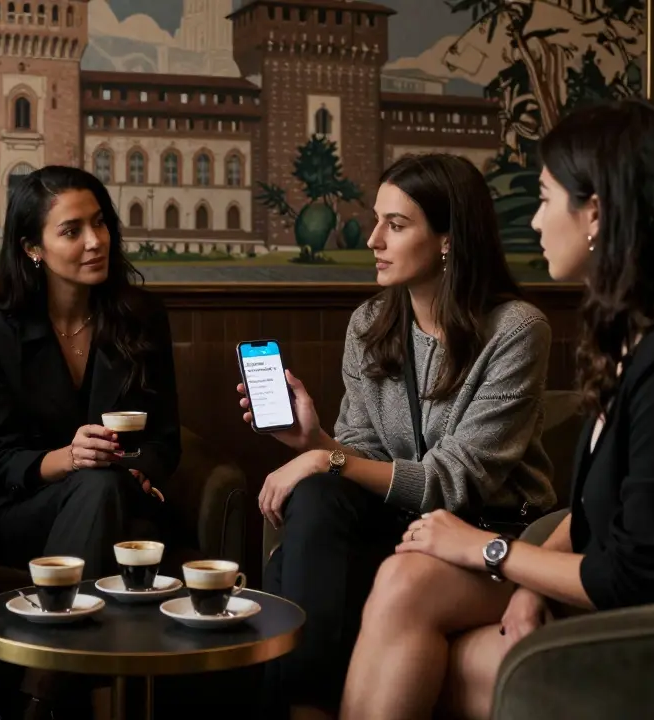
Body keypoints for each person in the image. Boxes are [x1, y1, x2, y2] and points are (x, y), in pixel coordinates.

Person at [342, 99, 654, 720]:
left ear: (596, 211)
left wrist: (492, 553)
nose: (535, 221)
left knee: (436, 653)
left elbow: (638, 575)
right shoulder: (639, 334)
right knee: (407, 583)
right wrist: (526, 580)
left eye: (543, 198)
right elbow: (597, 505)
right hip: (619, 595)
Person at [240, 153, 557, 718]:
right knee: (316, 497)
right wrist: (316, 443)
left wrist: (328, 461)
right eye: (376, 219)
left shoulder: (516, 330)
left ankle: (297, 707)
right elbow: (360, 456)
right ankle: (306, 708)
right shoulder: (370, 324)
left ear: (447, 240)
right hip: (402, 521)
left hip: (484, 527)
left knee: (297, 550)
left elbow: (455, 480)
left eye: (397, 224)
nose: (373, 240)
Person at [0, 165, 183, 581]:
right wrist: (70, 458)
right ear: (33, 247)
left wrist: (139, 469)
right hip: (25, 507)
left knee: (108, 491)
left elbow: (165, 439)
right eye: (72, 231)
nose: (95, 241)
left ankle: (57, 626)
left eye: (100, 223)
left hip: (122, 492)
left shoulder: (142, 317)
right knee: (113, 506)